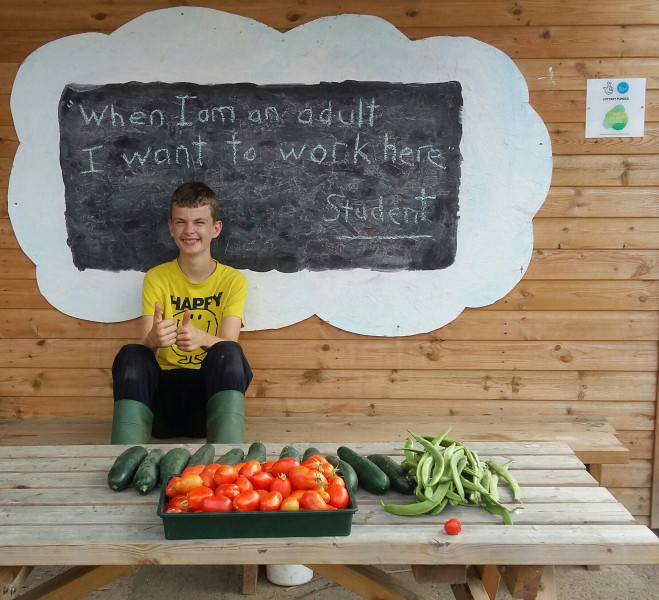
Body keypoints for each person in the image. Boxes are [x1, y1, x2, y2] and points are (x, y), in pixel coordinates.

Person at [110, 181, 252, 444]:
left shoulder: (234, 281)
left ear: (215, 229)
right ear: (170, 228)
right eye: (180, 222)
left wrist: (202, 339)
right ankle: (123, 456)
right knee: (131, 353)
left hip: (206, 405)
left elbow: (230, 343)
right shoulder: (156, 278)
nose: (189, 231)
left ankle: (228, 462)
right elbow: (146, 349)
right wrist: (154, 339)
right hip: (161, 405)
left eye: (199, 222)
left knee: (230, 352)